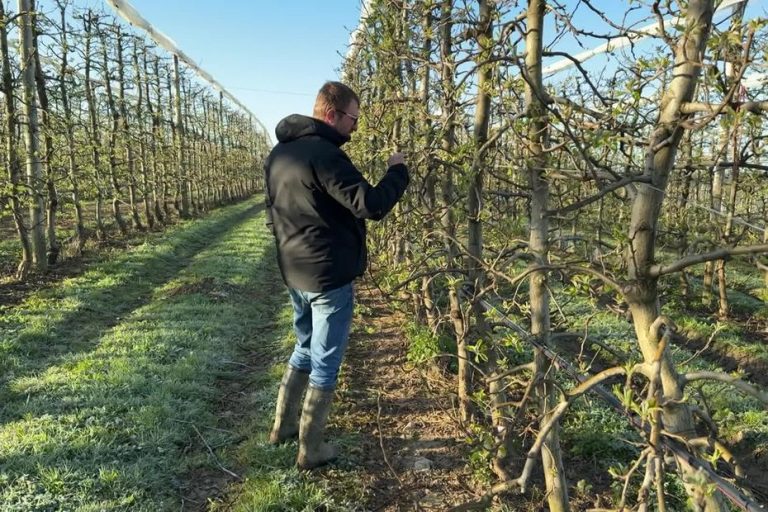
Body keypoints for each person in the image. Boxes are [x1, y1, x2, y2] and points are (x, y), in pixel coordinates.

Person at [264, 81, 409, 470]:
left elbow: (275, 211)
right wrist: (398, 173)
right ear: (332, 114)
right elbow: (371, 204)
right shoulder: (326, 156)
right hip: (328, 276)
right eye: (352, 119)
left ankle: (282, 428)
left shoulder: (279, 154)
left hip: (295, 271)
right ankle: (311, 450)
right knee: (325, 361)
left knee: (304, 346)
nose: (354, 128)